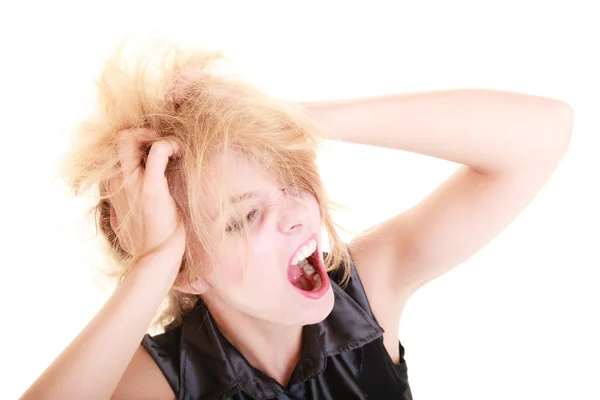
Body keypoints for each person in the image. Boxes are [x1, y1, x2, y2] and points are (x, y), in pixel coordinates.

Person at [21, 39, 573, 400]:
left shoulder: (367, 295)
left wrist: (292, 120)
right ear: (187, 272)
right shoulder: (162, 380)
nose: (297, 215)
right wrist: (155, 262)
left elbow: (543, 133)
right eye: (246, 216)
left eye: (291, 185)